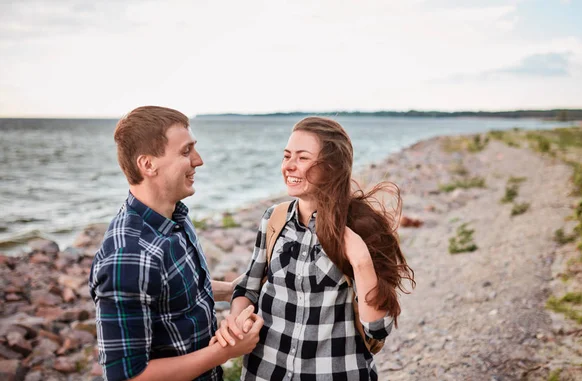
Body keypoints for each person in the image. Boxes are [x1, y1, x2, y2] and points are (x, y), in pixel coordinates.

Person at [214, 116, 415, 380]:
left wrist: (361, 262)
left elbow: (378, 328)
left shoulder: (361, 226)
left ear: (331, 167)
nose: (289, 166)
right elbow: (248, 287)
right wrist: (236, 320)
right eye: (287, 156)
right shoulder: (273, 219)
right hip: (264, 372)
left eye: (303, 158)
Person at [89, 106, 263, 381]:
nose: (199, 160)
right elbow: (128, 377)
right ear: (147, 165)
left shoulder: (174, 217)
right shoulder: (128, 254)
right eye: (185, 151)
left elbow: (179, 294)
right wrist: (225, 352)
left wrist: (232, 290)